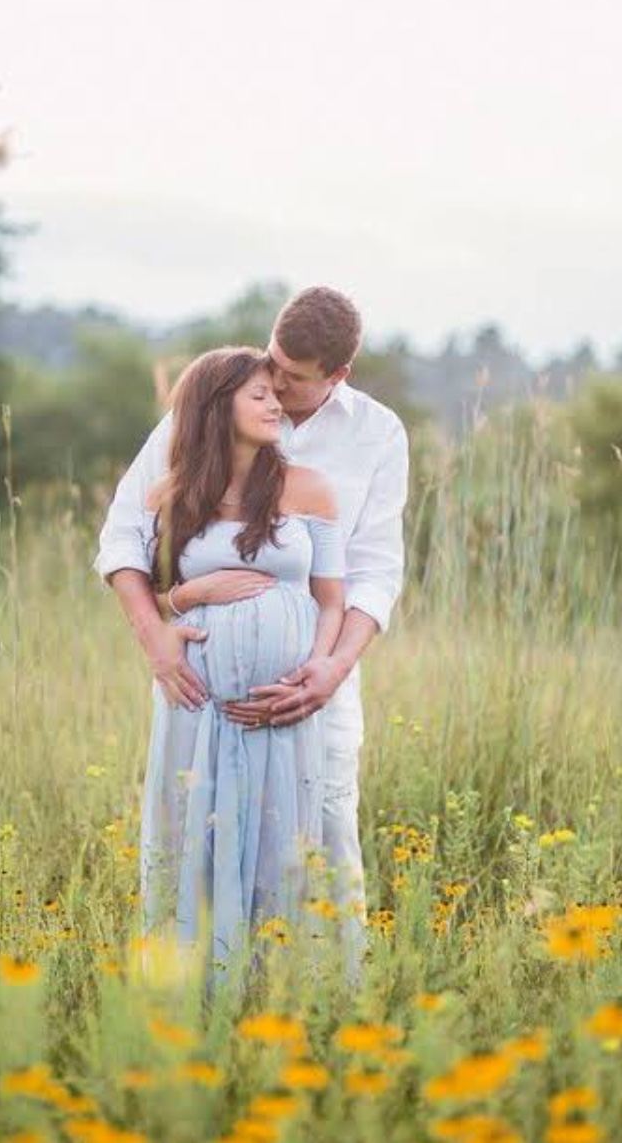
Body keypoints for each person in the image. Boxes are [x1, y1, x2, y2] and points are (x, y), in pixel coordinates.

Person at [94, 285, 410, 980]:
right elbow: (123, 533)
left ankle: (324, 1003)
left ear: (337, 376)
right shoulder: (205, 410)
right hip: (200, 698)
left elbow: (372, 574)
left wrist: (330, 669)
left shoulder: (376, 435)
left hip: (312, 687)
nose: (275, 387)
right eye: (269, 367)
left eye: (292, 380)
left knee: (321, 840)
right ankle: (195, 999)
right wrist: (157, 629)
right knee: (194, 835)